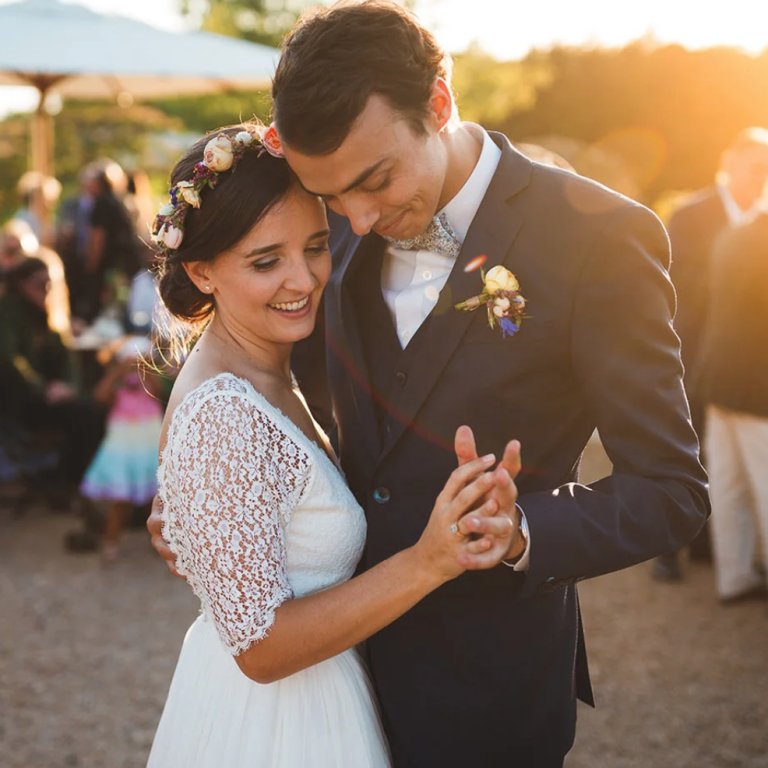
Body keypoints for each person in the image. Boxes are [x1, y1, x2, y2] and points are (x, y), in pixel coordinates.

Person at [149, 3, 709, 766]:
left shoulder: (600, 241)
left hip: (484, 687)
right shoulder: (324, 221)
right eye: (334, 198)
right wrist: (209, 498)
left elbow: (671, 488)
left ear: (439, 104)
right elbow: (276, 390)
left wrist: (520, 534)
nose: (360, 217)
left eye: (375, 182)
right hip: (322, 681)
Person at [145, 123, 516, 768]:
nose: (304, 278)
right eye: (266, 261)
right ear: (202, 272)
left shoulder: (268, 367)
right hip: (277, 727)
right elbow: (259, 648)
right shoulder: (224, 415)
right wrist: (429, 560)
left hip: (322, 694)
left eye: (317, 247)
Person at [654, 127, 768, 580]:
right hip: (690, 346)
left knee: (725, 462)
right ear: (731, 162)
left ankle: (711, 545)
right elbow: (672, 281)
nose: (761, 175)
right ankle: (667, 550)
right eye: (755, 165)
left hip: (742, 357)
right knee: (682, 448)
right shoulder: (691, 215)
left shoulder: (761, 217)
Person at [694, 213, 768, 603]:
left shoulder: (731, 236)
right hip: (758, 385)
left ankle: (734, 576)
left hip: (719, 375)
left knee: (727, 484)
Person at [0, 257, 105, 499]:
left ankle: (68, 478)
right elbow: (9, 359)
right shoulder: (8, 310)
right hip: (20, 401)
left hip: (47, 396)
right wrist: (43, 389)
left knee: (93, 410)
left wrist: (67, 386)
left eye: (49, 284)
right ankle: (67, 480)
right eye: (39, 284)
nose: (46, 290)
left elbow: (63, 354)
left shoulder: (43, 312)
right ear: (21, 284)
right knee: (87, 414)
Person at [80, 336, 163, 562]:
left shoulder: (149, 385)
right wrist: (119, 372)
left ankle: (159, 543)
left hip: (147, 451)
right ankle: (111, 541)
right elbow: (99, 395)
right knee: (119, 501)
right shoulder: (118, 388)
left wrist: (144, 369)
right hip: (123, 453)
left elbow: (158, 390)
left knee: (154, 502)